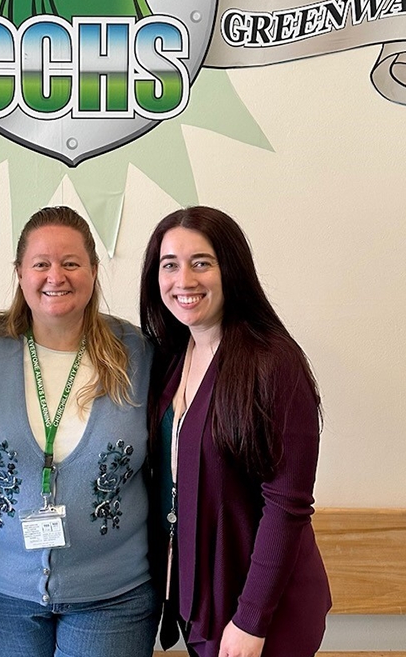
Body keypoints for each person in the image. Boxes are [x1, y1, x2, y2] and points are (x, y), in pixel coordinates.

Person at [0, 206, 160, 657]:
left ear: (93, 270)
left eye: (70, 263)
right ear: (20, 273)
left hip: (113, 595)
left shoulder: (138, 353)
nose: (56, 276)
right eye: (41, 264)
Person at [139, 206, 331, 657]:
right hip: (204, 600)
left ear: (232, 269)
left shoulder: (273, 363)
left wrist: (251, 620)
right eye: (170, 265)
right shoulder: (172, 356)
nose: (184, 280)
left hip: (259, 610)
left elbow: (286, 504)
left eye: (201, 262)